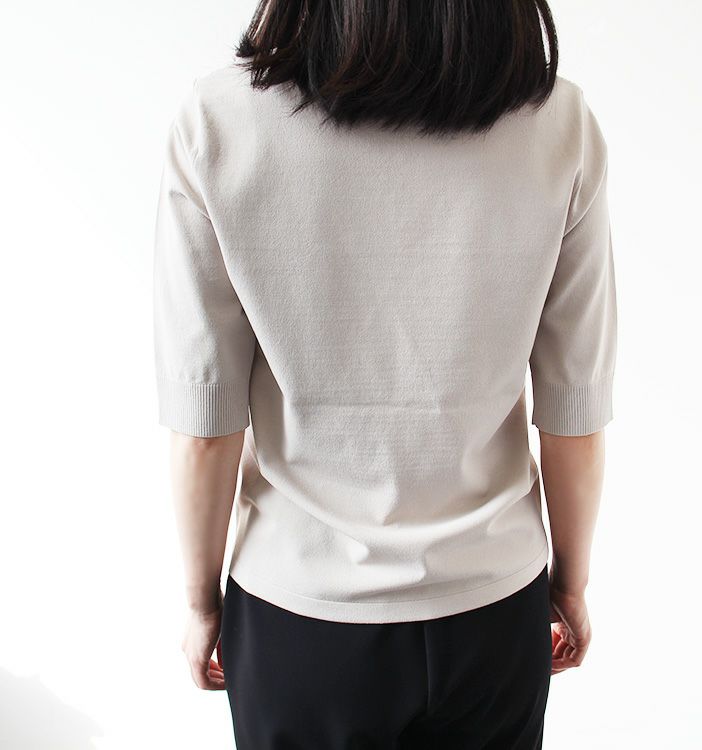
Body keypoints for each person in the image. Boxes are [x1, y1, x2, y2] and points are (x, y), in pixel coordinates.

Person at [152, 1, 617, 747]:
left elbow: (205, 430)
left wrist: (202, 604)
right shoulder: (559, 123)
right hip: (493, 612)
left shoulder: (217, 124)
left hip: (298, 619)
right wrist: (572, 585)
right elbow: (574, 415)